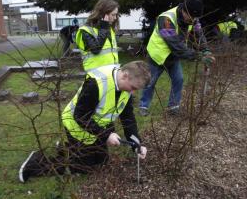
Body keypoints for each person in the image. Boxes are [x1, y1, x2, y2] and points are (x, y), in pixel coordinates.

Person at [19, 61, 151, 183]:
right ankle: (34, 163)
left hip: (98, 126)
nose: (133, 92)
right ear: (125, 76)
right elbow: (81, 116)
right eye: (133, 88)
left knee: (102, 161)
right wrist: (107, 135)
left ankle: (67, 148)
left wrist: (136, 144)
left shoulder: (125, 87)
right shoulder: (96, 83)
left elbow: (128, 117)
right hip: (78, 125)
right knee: (83, 168)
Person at [139, 0, 215, 116]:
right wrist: (198, 56)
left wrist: (205, 50)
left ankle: (173, 107)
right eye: (191, 17)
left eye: (195, 18)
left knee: (178, 79)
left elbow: (199, 34)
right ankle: (143, 106)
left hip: (173, 57)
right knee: (150, 81)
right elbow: (175, 45)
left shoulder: (193, 19)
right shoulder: (166, 19)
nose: (193, 20)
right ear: (184, 11)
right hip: (157, 55)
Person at [75, 0, 120, 72]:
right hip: (95, 78)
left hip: (111, 74)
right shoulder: (86, 30)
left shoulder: (108, 29)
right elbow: (95, 50)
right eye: (113, 15)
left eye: (116, 15)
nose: (115, 18)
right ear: (103, 15)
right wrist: (104, 28)